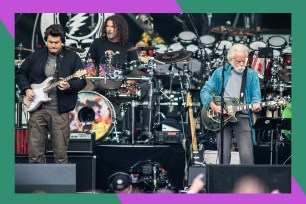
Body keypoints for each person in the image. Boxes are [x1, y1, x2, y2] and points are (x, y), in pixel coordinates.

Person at [16, 24, 87, 163]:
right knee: (35, 154)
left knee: (60, 155)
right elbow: (21, 73)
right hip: (38, 110)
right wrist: (27, 89)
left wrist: (69, 85)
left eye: (57, 42)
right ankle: (36, 184)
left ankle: (60, 185)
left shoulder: (72, 57)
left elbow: (82, 81)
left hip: (59, 112)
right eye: (50, 42)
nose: (53, 45)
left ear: (62, 41)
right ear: (46, 41)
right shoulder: (36, 55)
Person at [200, 43, 261, 164]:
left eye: (244, 61)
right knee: (223, 155)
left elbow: (256, 97)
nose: (242, 64)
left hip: (242, 115)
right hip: (221, 117)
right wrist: (213, 106)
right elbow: (205, 91)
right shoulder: (220, 72)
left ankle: (248, 181)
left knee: (247, 155)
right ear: (231, 60)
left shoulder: (252, 75)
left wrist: (256, 105)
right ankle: (223, 182)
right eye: (238, 61)